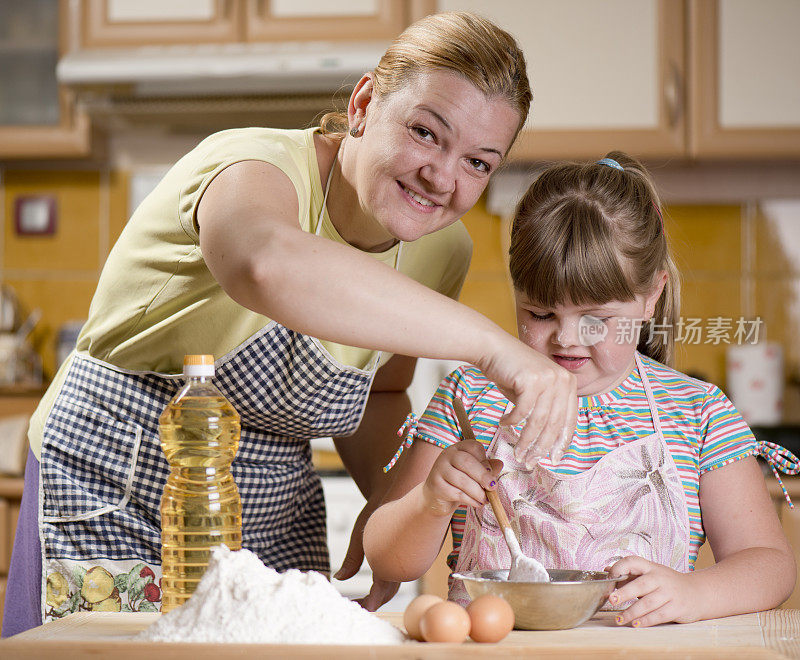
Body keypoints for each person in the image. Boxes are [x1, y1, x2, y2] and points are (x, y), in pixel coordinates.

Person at [2, 12, 581, 637]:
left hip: (271, 519)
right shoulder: (254, 166)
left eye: (479, 163)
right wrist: (494, 346)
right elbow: (267, 264)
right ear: (363, 104)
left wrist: (393, 511)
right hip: (114, 490)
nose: (442, 176)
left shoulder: (442, 251)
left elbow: (381, 394)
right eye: (424, 132)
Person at [364, 152, 798, 627]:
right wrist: (431, 501)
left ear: (652, 295)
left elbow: (770, 565)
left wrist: (694, 592)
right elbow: (388, 560)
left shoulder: (697, 412)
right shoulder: (469, 399)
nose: (567, 338)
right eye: (540, 314)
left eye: (597, 319)